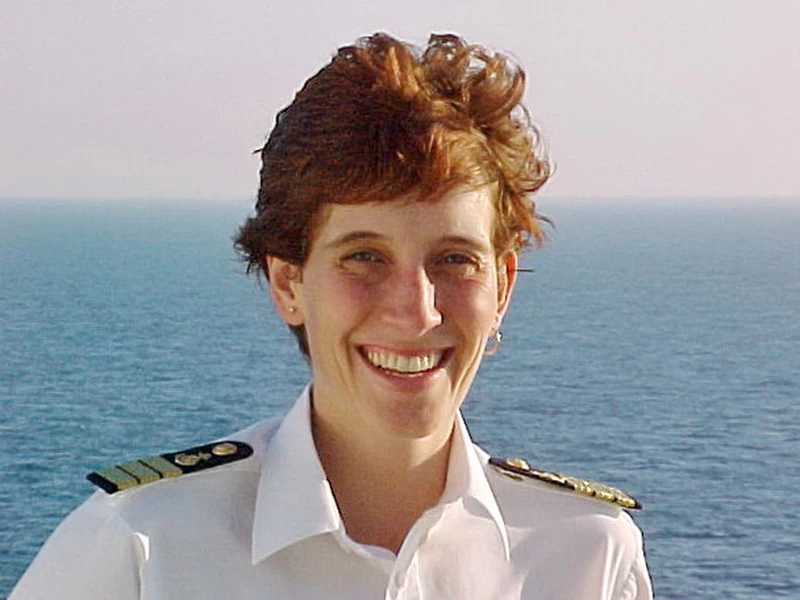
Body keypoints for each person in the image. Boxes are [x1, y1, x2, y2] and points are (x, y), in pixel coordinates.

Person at [11, 33, 652, 599]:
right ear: (288, 282)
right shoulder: (143, 546)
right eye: (364, 256)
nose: (417, 309)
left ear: (502, 287)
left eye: (455, 259)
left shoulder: (587, 555)